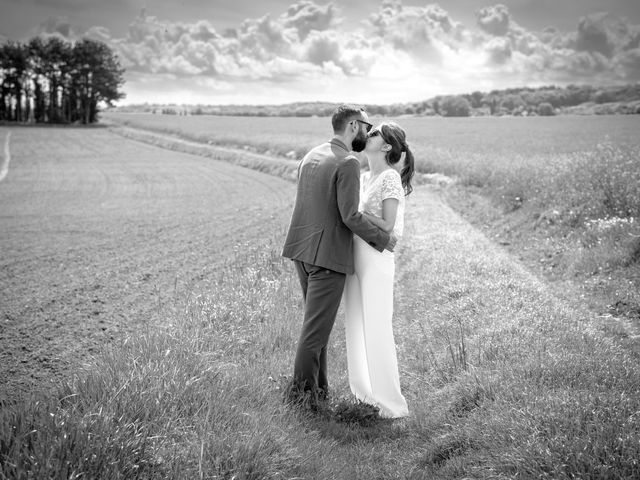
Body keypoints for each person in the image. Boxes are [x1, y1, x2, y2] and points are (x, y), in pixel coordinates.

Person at [281, 105, 396, 409]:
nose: (366, 131)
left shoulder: (311, 155)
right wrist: (383, 239)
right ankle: (302, 398)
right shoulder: (347, 163)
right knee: (314, 334)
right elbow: (350, 216)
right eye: (365, 125)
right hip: (327, 257)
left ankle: (319, 393)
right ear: (353, 126)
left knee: (315, 328)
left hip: (301, 251)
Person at [343, 122, 415, 418]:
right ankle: (364, 394)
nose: (366, 134)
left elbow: (387, 225)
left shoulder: (389, 178)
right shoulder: (361, 176)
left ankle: (392, 405)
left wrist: (355, 215)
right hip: (354, 255)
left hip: (376, 256)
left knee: (378, 326)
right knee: (355, 324)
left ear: (386, 146)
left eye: (373, 134)